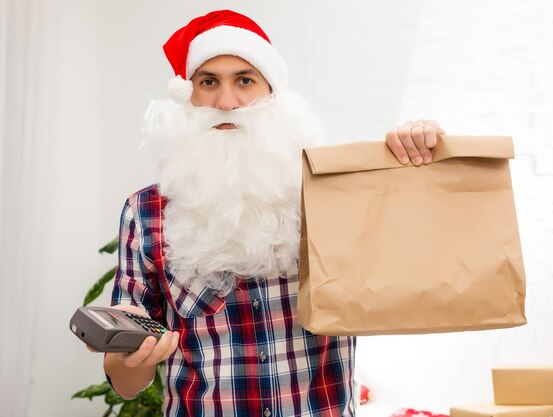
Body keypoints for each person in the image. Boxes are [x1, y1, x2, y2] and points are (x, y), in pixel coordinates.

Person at [100, 9, 445, 417]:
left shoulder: (328, 193)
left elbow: (412, 269)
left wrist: (419, 158)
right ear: (188, 98)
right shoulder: (144, 213)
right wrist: (127, 358)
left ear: (272, 94)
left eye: (244, 80)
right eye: (208, 82)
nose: (226, 102)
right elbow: (126, 383)